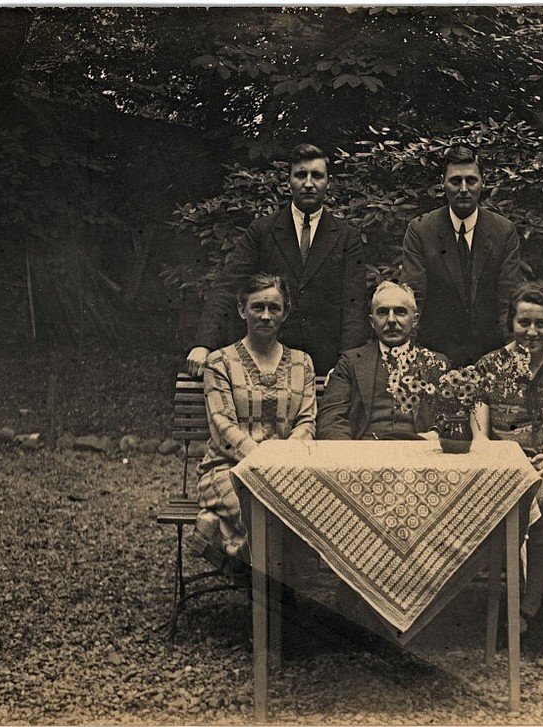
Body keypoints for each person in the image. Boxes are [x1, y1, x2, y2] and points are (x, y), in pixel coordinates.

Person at [187, 143, 369, 377]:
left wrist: (347, 363)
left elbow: (354, 305)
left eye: (317, 176)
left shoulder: (346, 237)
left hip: (326, 364)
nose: (309, 183)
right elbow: (228, 287)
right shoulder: (262, 231)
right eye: (301, 175)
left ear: (328, 183)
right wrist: (205, 344)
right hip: (268, 357)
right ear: (289, 181)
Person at [472, 281, 543, 633]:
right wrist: (499, 456)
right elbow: (480, 432)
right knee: (527, 494)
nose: (532, 332)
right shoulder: (489, 365)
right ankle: (539, 591)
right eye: (524, 322)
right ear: (512, 323)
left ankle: (528, 605)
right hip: (503, 459)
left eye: (541, 324)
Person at [188, 273, 317, 572]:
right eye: (258, 307)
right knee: (265, 514)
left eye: (275, 308)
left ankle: (216, 534)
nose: (266, 316)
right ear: (241, 310)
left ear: (286, 312)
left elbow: (307, 422)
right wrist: (263, 460)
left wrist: (281, 461)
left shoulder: (302, 362)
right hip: (230, 469)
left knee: (303, 511)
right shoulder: (220, 362)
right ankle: (271, 604)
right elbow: (223, 428)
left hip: (287, 471)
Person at [400, 145, 522, 367]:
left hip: (492, 357)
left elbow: (509, 300)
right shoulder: (420, 231)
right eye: (456, 181)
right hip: (434, 357)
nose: (463, 189)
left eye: (471, 181)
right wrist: (415, 358)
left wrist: (505, 356)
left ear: (482, 183)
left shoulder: (504, 232)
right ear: (443, 184)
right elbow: (412, 300)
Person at [317, 281, 448, 440]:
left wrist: (434, 434)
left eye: (400, 312)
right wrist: (350, 455)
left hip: (419, 453)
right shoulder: (351, 362)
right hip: (365, 455)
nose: (391, 320)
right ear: (372, 322)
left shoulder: (436, 363)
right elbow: (331, 418)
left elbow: (451, 415)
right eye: (383, 312)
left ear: (415, 320)